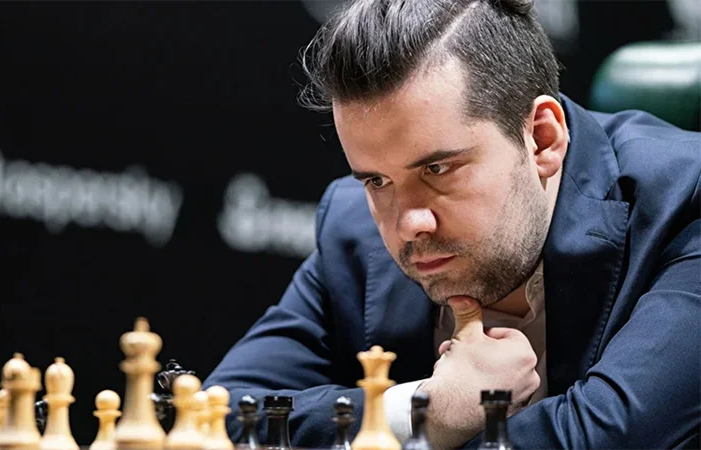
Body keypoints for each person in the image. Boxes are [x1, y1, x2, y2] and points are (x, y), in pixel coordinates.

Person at [203, 0, 701, 447]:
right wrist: (427, 410)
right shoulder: (353, 226)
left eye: (437, 169)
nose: (409, 223)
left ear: (542, 140)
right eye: (377, 180)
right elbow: (216, 418)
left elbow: (608, 436)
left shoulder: (686, 201)